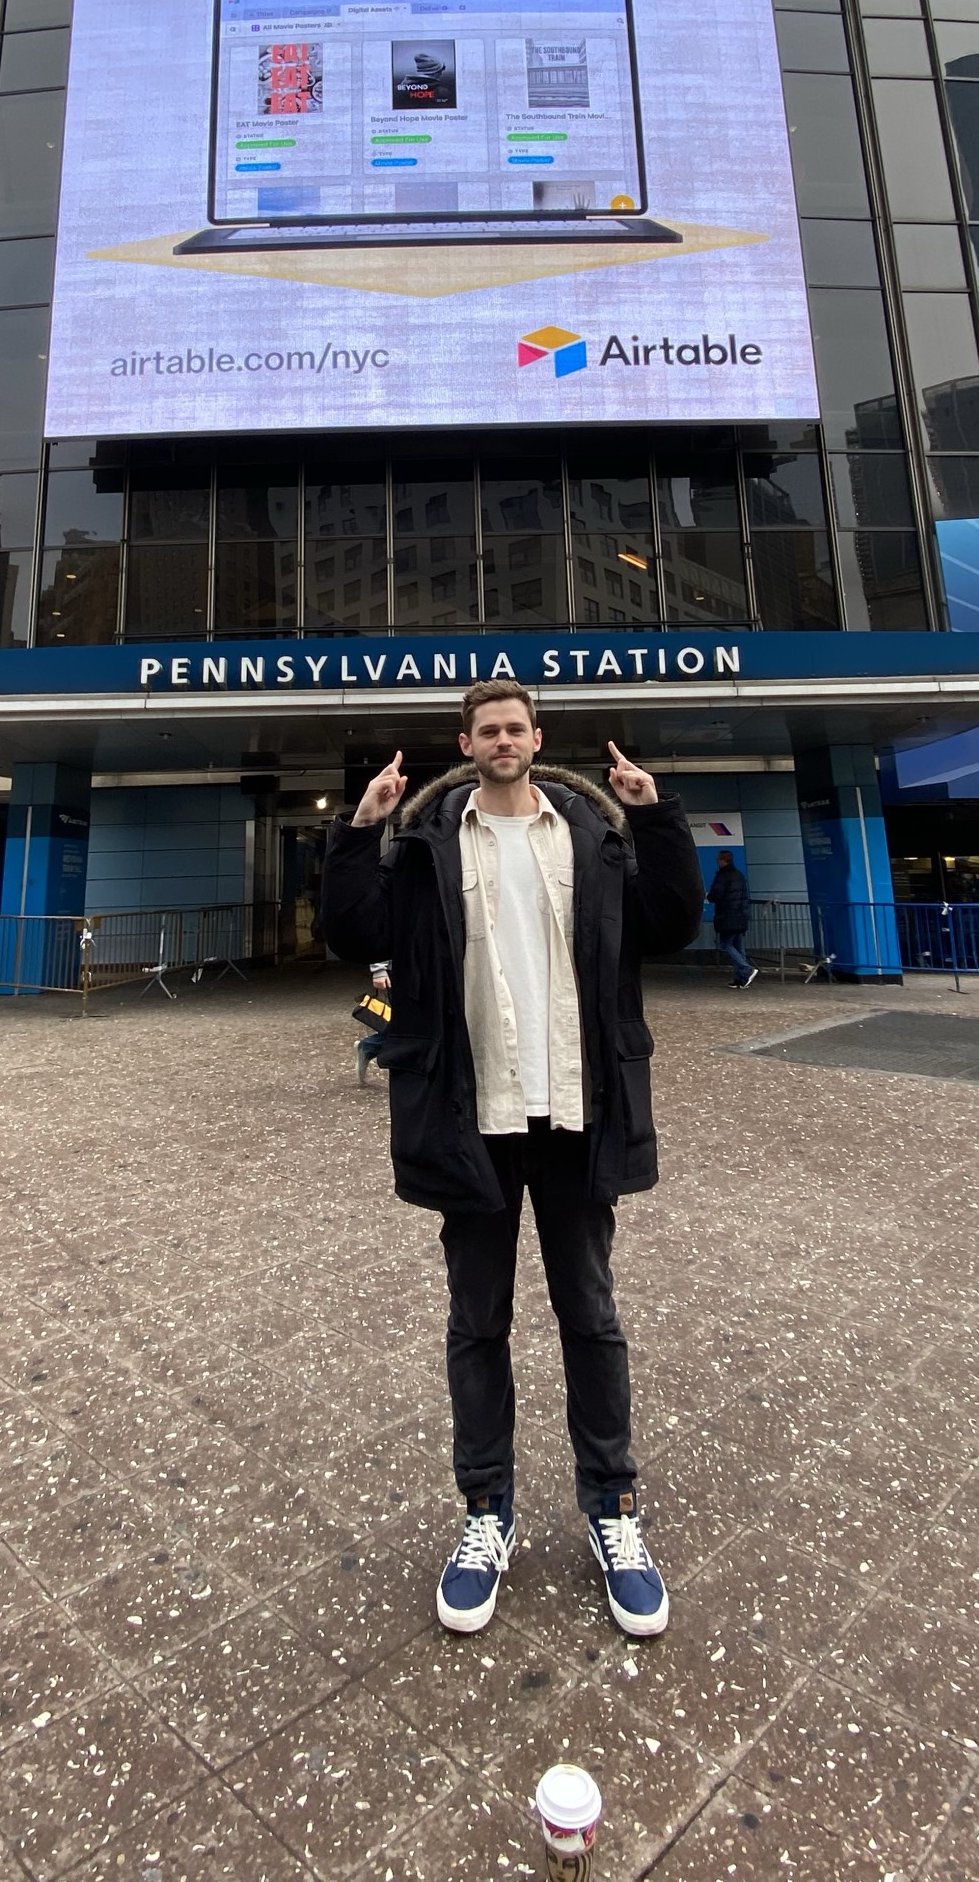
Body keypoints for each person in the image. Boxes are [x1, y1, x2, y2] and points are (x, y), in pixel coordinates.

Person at [320, 682, 703, 1640]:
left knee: (592, 1317)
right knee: (476, 1324)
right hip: (472, 1115)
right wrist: (355, 833)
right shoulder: (425, 843)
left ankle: (612, 1511)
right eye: (486, 729)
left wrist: (659, 818)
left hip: (576, 1110)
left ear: (538, 739)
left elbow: (671, 927)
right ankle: (484, 1513)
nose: (502, 740)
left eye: (515, 728)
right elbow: (352, 936)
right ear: (467, 742)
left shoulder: (589, 835)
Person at [706, 849, 756, 990]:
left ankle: (746, 969)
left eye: (718, 860)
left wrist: (709, 896)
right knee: (739, 947)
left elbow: (716, 894)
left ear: (723, 860)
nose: (717, 862)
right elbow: (744, 897)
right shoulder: (739, 875)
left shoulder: (723, 876)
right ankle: (741, 979)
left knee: (725, 944)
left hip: (727, 915)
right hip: (740, 915)